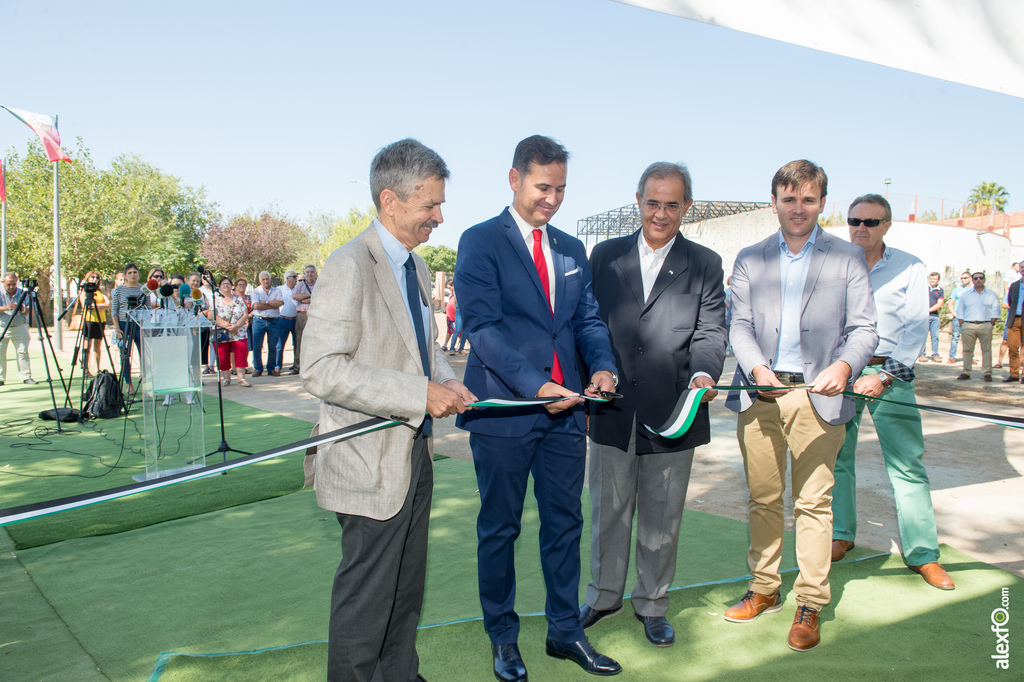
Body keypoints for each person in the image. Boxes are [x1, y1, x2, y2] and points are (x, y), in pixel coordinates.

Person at [300, 138, 474, 682]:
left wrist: (445, 379)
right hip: (365, 457)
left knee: (405, 587)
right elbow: (322, 369)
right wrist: (417, 393)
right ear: (389, 200)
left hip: (413, 452)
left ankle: (399, 674)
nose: (440, 217)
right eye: (430, 206)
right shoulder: (350, 264)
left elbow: (425, 346)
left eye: (440, 204)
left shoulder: (416, 268)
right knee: (366, 597)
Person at [455, 135, 620, 680]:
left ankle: (565, 632)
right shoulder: (479, 241)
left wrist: (601, 366)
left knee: (564, 525)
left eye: (561, 189)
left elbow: (587, 320)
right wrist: (536, 386)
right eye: (543, 187)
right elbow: (481, 328)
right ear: (514, 179)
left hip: (570, 411)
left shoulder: (572, 249)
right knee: (500, 528)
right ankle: (503, 637)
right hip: (506, 410)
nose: (552, 198)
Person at [723, 160, 877, 652]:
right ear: (774, 202)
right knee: (763, 500)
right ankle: (764, 589)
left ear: (822, 204)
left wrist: (846, 367)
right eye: (788, 200)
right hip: (760, 393)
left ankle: (810, 602)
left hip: (819, 398)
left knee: (813, 504)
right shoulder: (750, 257)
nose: (797, 209)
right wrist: (756, 369)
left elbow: (865, 329)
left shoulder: (848, 257)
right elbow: (739, 325)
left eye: (808, 200)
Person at [583, 162, 727, 647]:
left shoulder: (705, 263)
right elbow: (588, 324)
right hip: (611, 407)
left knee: (662, 518)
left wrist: (705, 372)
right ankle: (603, 596)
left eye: (672, 204)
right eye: (652, 202)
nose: (660, 213)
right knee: (607, 511)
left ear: (686, 206)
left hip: (674, 411)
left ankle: (652, 603)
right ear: (638, 202)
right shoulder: (603, 255)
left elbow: (711, 330)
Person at [832, 194, 954, 591]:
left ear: (887, 225)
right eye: (854, 221)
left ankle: (923, 554)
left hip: (891, 374)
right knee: (837, 459)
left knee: (907, 466)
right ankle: (841, 534)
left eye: (871, 222)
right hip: (841, 371)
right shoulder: (832, 261)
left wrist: (883, 377)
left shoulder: (910, 267)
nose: (861, 228)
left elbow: (916, 329)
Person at [110, 263, 150, 394]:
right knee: (125, 354)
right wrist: (117, 329)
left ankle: (144, 378)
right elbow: (114, 310)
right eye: (130, 273)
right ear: (125, 275)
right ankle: (128, 383)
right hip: (123, 324)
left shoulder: (144, 289)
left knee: (144, 354)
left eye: (135, 272)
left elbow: (148, 308)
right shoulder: (119, 290)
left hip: (139, 324)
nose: (133, 275)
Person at [954, 272, 1001, 382]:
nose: (978, 280)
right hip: (968, 325)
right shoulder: (965, 294)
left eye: (981, 278)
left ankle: (987, 373)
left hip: (985, 324)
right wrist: (962, 323)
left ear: (984, 280)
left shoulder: (991, 294)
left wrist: (991, 323)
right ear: (972, 280)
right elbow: (960, 310)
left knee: (986, 350)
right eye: (976, 278)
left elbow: (996, 310)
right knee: (967, 350)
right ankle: (966, 371)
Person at [212, 276, 251, 387]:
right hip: (222, 332)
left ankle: (241, 378)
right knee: (223, 356)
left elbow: (245, 314)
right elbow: (212, 315)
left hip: (238, 332)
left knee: (240, 354)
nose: (226, 286)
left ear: (231, 286)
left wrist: (237, 325)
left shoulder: (238, 299)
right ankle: (226, 378)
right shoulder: (216, 299)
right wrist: (226, 325)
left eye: (228, 283)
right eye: (223, 284)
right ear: (219, 287)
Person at [0, 272, 36, 386]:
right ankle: (0, 378)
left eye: (13, 284)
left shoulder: (23, 293)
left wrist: (20, 308)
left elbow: (29, 309)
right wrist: (6, 307)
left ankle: (26, 377)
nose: (11, 287)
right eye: (8, 284)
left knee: (23, 352)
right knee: (0, 353)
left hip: (20, 327)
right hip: (2, 327)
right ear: (3, 283)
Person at [75, 271, 111, 377]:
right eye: (92, 277)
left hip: (100, 320)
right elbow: (87, 306)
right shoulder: (83, 292)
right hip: (88, 320)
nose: (95, 279)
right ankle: (85, 369)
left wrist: (96, 306)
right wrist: (100, 306)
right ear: (88, 278)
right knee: (87, 345)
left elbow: (108, 304)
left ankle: (97, 368)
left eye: (97, 277)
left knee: (97, 345)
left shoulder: (101, 291)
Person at [250, 271, 283, 377]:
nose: (265, 281)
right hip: (259, 320)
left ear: (270, 279)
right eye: (263, 279)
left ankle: (271, 368)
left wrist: (265, 302)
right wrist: (272, 304)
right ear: (260, 280)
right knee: (257, 346)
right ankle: (258, 369)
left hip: (274, 321)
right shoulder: (256, 291)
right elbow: (256, 306)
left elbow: (280, 303)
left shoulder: (277, 290)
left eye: (267, 279)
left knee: (273, 346)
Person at [291, 264, 317, 374]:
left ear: (315, 273)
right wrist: (311, 297)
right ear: (305, 274)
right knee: (299, 341)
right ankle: (298, 366)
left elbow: (320, 297)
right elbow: (295, 296)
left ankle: (313, 366)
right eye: (307, 272)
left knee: (315, 341)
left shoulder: (319, 284)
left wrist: (303, 298)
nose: (309, 274)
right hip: (301, 315)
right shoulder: (300, 285)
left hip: (315, 315)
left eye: (312, 272)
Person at [1002, 264, 1023, 383]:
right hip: (1014, 319)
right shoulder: (1014, 286)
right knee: (1013, 348)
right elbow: (1009, 302)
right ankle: (1014, 374)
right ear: (1019, 269)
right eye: (1022, 267)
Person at [946, 271, 972, 364]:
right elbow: (951, 303)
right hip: (958, 317)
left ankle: (969, 357)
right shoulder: (956, 290)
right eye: (962, 278)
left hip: (970, 317)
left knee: (969, 338)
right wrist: (954, 313)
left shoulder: (974, 289)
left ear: (970, 278)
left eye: (965, 278)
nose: (963, 280)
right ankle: (952, 357)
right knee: (955, 337)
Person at [277, 269, 299, 374]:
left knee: (297, 344)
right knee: (280, 344)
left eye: (296, 277)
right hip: (283, 320)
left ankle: (296, 365)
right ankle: (278, 366)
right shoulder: (279, 289)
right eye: (294, 277)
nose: (296, 279)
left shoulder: (299, 288)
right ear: (287, 278)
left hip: (296, 320)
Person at [920, 272, 944, 362]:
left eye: (934, 279)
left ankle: (935, 354)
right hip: (924, 316)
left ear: (938, 280)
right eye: (931, 279)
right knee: (923, 336)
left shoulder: (940, 290)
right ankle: (922, 354)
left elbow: (940, 303)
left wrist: (928, 310)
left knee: (935, 336)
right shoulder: (923, 288)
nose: (932, 281)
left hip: (935, 316)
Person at [441, 284, 456, 351]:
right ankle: (445, 344)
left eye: (450, 287)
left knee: (457, 330)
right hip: (449, 315)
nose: (450, 289)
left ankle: (456, 346)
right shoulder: (451, 293)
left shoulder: (457, 291)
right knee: (449, 330)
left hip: (455, 314)